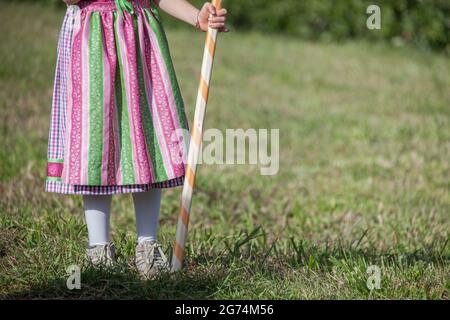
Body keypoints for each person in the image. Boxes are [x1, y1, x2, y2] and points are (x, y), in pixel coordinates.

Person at [46, 0, 228, 278]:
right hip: (93, 40)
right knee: (96, 143)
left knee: (147, 137)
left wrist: (196, 17)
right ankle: (99, 248)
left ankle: (147, 244)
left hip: (141, 43)